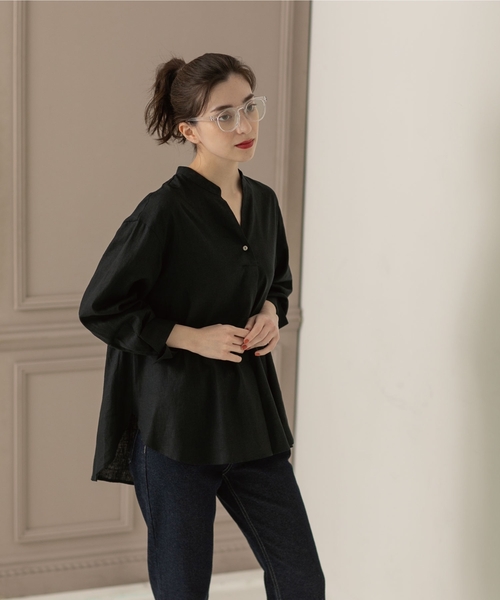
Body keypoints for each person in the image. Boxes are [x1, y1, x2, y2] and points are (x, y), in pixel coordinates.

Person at [79, 53, 325, 600]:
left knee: (302, 580)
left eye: (250, 107)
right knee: (183, 589)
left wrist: (270, 315)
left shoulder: (263, 203)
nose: (244, 125)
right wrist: (192, 337)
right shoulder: (162, 212)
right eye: (224, 116)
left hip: (250, 418)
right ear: (189, 130)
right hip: (175, 427)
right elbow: (102, 306)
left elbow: (277, 283)